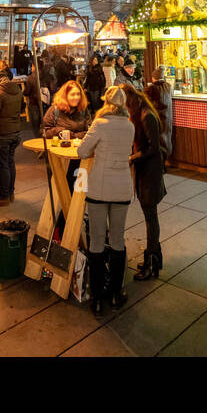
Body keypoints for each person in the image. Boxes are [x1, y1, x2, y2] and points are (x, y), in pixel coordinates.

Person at [77, 85, 135, 316]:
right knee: (118, 239)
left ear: (106, 103)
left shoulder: (99, 124)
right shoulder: (129, 126)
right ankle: (115, 293)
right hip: (122, 189)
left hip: (99, 189)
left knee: (97, 242)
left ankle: (98, 298)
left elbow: (82, 151)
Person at [130, 81, 168, 281]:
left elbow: (153, 148)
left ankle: (151, 263)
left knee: (151, 219)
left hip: (150, 175)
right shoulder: (143, 115)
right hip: (147, 174)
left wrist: (133, 157)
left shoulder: (147, 117)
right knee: (150, 217)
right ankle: (155, 258)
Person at [0, 66, 24, 205]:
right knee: (10, 162)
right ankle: (11, 193)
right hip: (15, 132)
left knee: (3, 165)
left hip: (3, 133)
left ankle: (3, 197)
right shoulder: (18, 91)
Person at [24, 62, 44, 137]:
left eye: (32, 66)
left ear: (34, 67)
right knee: (43, 121)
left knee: (35, 123)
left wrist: (24, 92)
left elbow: (27, 91)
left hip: (34, 102)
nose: (31, 68)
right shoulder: (45, 75)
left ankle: (37, 138)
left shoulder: (31, 77)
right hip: (44, 102)